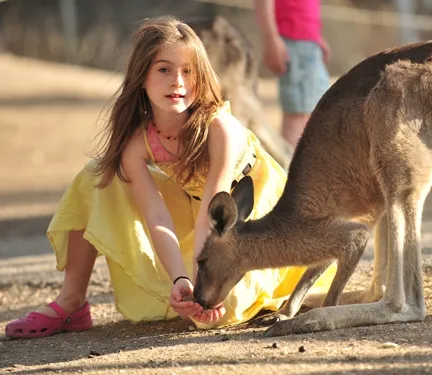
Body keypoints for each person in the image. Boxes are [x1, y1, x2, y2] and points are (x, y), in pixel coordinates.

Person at [5, 16, 337, 339]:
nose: (177, 81)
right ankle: (72, 302)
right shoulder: (137, 142)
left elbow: (215, 208)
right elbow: (156, 214)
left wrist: (199, 284)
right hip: (196, 211)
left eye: (188, 71)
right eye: (164, 69)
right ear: (142, 76)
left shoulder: (218, 128)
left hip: (249, 216)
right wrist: (181, 278)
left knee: (217, 310)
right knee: (95, 175)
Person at [254, 0, 331, 147]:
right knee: (298, 116)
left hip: (308, 41)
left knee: (316, 113)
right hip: (294, 41)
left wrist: (316, 37)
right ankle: (293, 167)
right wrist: (271, 38)